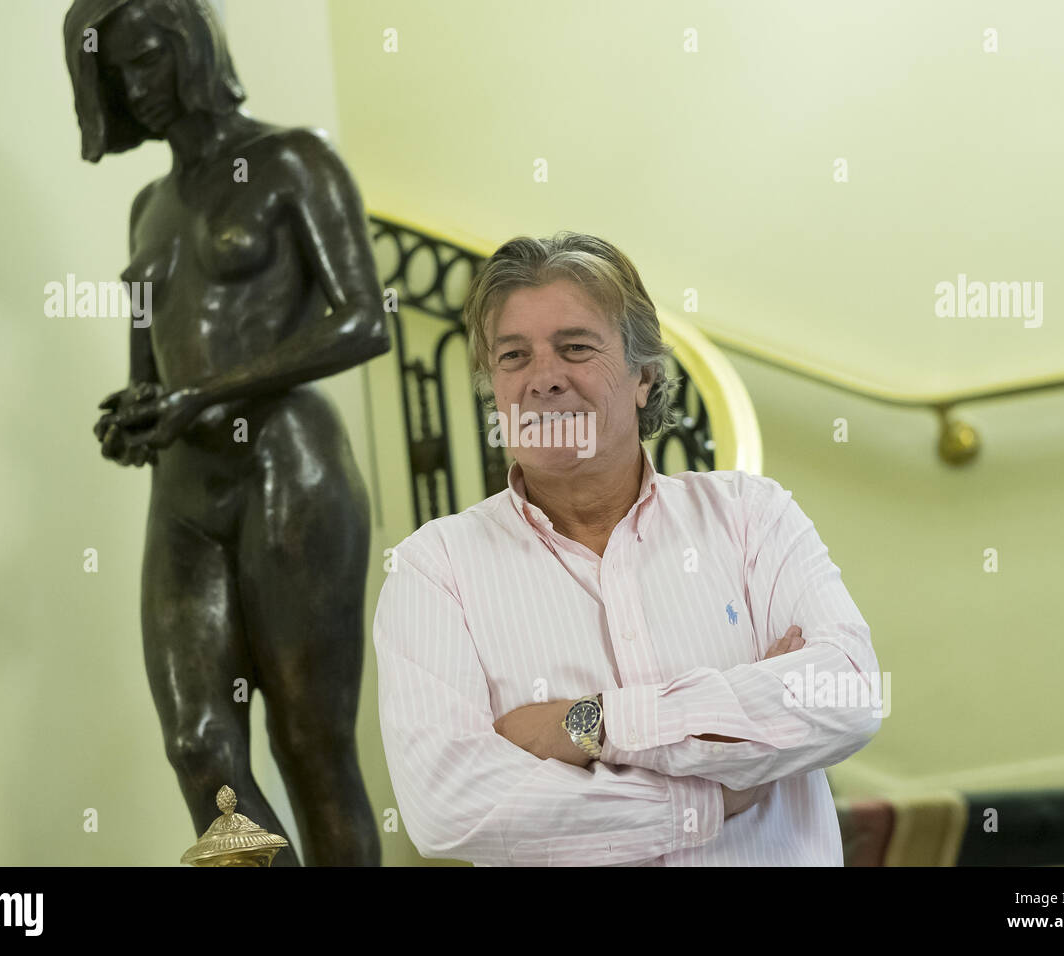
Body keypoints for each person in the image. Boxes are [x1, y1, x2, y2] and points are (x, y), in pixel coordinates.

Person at [373, 232, 882, 865]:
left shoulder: (752, 515)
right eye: (513, 356)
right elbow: (450, 806)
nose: (543, 380)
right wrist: (712, 794)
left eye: (575, 348)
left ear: (644, 376)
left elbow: (848, 693)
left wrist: (590, 725)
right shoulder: (435, 569)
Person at [65, 0, 387, 865]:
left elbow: (363, 320)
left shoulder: (291, 161)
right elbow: (151, 371)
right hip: (183, 489)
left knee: (311, 746)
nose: (142, 86)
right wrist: (137, 414)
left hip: (290, 465)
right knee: (199, 747)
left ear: (196, 47)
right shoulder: (148, 207)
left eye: (153, 59)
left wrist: (203, 393)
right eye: (121, 73)